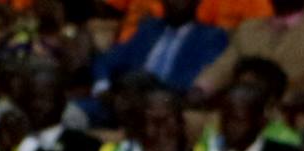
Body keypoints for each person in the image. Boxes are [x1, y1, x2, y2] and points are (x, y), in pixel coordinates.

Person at [0, 59, 100, 151]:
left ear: (62, 101)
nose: (37, 105)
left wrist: (24, 144)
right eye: (31, 97)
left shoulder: (84, 145)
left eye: (45, 98)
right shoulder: (7, 136)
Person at [94, 0, 226, 97]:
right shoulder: (149, 28)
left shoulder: (210, 37)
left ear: (197, 2)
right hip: (125, 98)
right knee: (74, 114)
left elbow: (192, 83)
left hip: (166, 104)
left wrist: (151, 84)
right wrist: (103, 86)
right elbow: (106, 61)